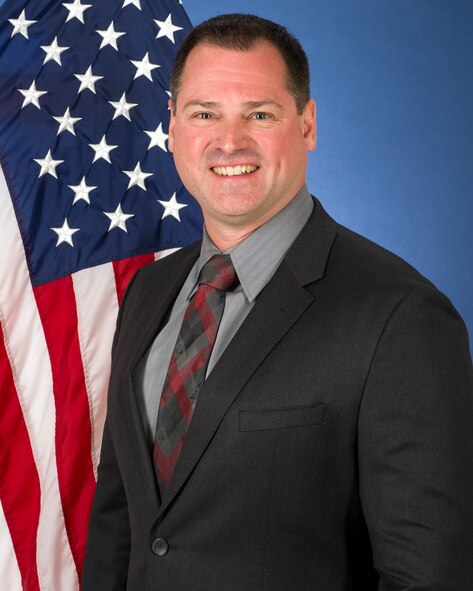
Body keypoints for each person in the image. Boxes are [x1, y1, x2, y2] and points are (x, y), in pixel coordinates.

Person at [82, 13, 473, 590]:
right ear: (172, 128)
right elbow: (122, 522)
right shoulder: (149, 292)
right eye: (204, 113)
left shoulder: (401, 319)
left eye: (259, 115)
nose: (229, 141)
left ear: (307, 125)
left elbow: (427, 576)